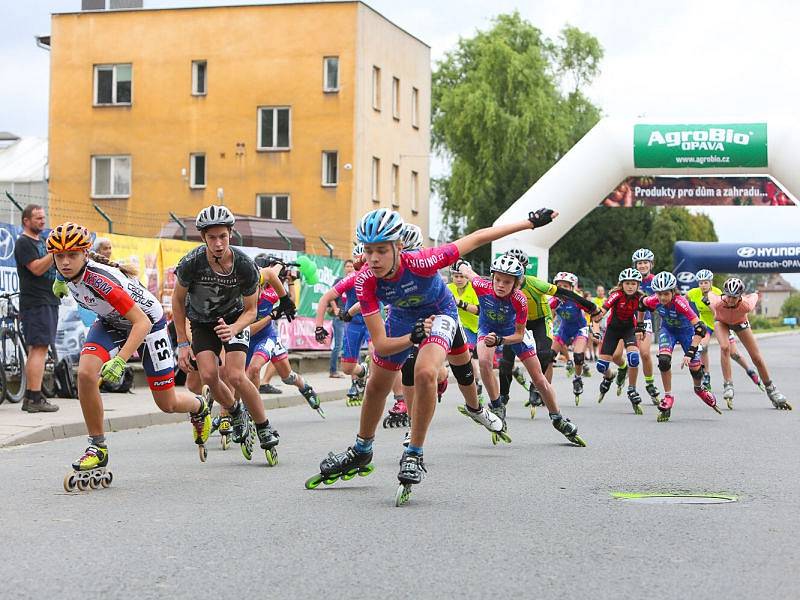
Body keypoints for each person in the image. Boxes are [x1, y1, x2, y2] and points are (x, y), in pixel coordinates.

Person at [307, 208, 558, 505]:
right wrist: (411, 336)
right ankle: (362, 449)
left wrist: (530, 223)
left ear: (398, 247)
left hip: (440, 313)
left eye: (381, 251)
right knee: (377, 383)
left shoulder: (424, 261)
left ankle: (414, 452)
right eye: (368, 250)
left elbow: (476, 238)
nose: (373, 259)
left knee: (425, 372)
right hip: (403, 321)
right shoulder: (365, 281)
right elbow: (382, 344)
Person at [48, 223, 213, 490]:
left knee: (167, 403)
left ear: (85, 254)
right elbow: (62, 271)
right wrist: (58, 280)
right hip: (112, 322)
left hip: (148, 325)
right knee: (86, 374)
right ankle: (97, 447)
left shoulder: (101, 281)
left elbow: (142, 323)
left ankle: (198, 406)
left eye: (72, 255)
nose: (65, 262)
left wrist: (121, 360)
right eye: (59, 257)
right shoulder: (67, 271)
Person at [172, 205, 295, 465]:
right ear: (203, 237)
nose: (218, 243)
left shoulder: (244, 265)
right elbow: (177, 301)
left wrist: (234, 329)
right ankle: (236, 412)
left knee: (236, 375)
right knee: (208, 375)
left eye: (223, 237)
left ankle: (263, 425)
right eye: (212, 237)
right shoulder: (191, 263)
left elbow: (251, 310)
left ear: (230, 234)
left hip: (234, 319)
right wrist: (183, 342)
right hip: (202, 322)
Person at [458, 258, 586, 446]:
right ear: (492, 277)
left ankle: (558, 418)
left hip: (513, 333)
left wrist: (501, 341)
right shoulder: (481, 285)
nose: (501, 285)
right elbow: (467, 270)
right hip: (487, 328)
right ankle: (497, 406)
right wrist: (458, 261)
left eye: (507, 282)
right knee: (484, 362)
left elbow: (518, 335)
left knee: (539, 379)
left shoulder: (519, 300)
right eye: (498, 280)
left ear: (516, 284)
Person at [638, 271, 720, 422]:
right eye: (659, 294)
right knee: (663, 360)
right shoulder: (654, 300)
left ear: (673, 291)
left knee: (695, 369)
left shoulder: (680, 302)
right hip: (667, 331)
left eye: (666, 294)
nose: (662, 298)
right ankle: (668, 396)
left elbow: (700, 329)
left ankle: (699, 389)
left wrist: (690, 352)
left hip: (686, 333)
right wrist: (640, 326)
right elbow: (641, 304)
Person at [246, 266, 323, 417]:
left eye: (260, 287)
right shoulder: (239, 300)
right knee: (239, 377)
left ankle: (305, 387)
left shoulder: (269, 294)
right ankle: (242, 413)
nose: (258, 292)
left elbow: (290, 301)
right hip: (248, 339)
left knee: (287, 377)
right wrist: (271, 316)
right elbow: (248, 331)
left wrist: (291, 282)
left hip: (267, 338)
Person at [707, 277, 791, 410]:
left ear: (740, 296)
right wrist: (707, 297)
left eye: (734, 297)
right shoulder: (717, 302)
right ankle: (728, 384)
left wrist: (758, 293)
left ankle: (772, 390)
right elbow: (711, 294)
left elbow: (754, 295)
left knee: (756, 357)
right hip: (722, 322)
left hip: (740, 323)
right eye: (728, 296)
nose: (730, 300)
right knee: (724, 347)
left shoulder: (747, 304)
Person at [686, 269, 763, 407]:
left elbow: (718, 313)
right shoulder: (694, 293)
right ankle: (707, 375)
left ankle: (750, 370)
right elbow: (683, 301)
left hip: (722, 323)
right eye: (701, 283)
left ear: (711, 283)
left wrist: (709, 304)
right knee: (702, 347)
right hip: (706, 325)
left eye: (706, 282)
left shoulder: (717, 294)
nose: (703, 285)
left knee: (733, 353)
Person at [14, 204, 59, 413]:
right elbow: (38, 269)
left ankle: (33, 396)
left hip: (48, 300)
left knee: (40, 349)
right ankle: (33, 397)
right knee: (39, 348)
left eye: (43, 217)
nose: (42, 221)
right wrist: (54, 252)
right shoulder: (23, 243)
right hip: (36, 302)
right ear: (26, 221)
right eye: (38, 218)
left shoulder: (40, 241)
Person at [591, 268, 645, 413]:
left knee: (634, 358)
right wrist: (597, 318)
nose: (630, 286)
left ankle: (632, 389)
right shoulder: (616, 295)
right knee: (601, 366)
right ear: (621, 284)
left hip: (629, 329)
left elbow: (642, 313)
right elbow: (604, 308)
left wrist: (640, 328)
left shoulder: (640, 298)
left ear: (638, 285)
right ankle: (610, 376)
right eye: (627, 283)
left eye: (633, 283)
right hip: (613, 330)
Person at [548, 272, 598, 406]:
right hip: (564, 329)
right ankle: (545, 387)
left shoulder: (577, 300)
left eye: (566, 286)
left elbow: (594, 312)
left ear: (572, 288)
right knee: (549, 356)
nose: (563, 288)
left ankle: (577, 379)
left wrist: (595, 328)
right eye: (560, 286)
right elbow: (548, 317)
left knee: (578, 355)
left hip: (579, 329)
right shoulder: (554, 301)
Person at [447, 260, 483, 401]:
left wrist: (460, 303)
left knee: (478, 359)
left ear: (467, 277)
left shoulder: (474, 289)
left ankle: (477, 381)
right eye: (456, 276)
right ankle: (475, 382)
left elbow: (479, 310)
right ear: (452, 277)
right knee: (468, 354)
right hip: (462, 327)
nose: (459, 279)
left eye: (462, 276)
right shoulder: (448, 288)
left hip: (477, 327)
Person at [632, 248, 660, 404]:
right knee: (620, 356)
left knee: (644, 353)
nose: (642, 266)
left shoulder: (655, 280)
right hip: (628, 319)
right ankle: (624, 374)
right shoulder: (629, 279)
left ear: (651, 264)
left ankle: (650, 384)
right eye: (639, 263)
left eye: (645, 263)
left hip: (646, 320)